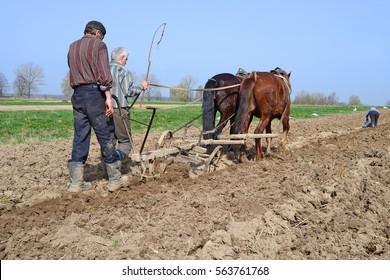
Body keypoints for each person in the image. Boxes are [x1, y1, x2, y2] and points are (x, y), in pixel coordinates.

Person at [67, 20, 128, 193]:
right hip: (95, 94)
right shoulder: (99, 46)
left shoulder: (72, 47)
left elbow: (72, 68)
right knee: (106, 133)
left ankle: (76, 183)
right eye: (102, 36)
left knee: (80, 136)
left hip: (77, 95)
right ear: (98, 33)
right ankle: (115, 179)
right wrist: (108, 96)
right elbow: (103, 73)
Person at [109, 47, 148, 160]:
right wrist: (142, 87)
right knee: (126, 141)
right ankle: (116, 160)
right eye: (126, 59)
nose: (126, 61)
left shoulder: (103, 69)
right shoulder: (123, 71)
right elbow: (129, 91)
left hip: (104, 110)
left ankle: (109, 163)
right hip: (118, 110)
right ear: (122, 58)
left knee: (110, 140)